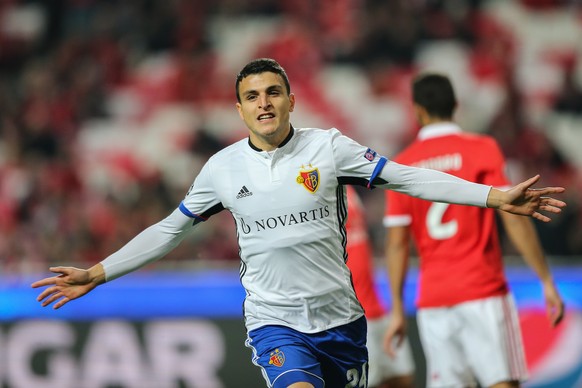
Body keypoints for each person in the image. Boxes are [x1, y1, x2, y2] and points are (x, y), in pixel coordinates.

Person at [32, 58, 565, 388]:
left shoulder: (328, 148)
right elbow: (170, 229)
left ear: (291, 99)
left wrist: (493, 196)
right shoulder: (222, 168)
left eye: (271, 93)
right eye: (251, 97)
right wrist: (99, 272)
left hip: (341, 321)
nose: (263, 104)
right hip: (275, 321)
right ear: (238, 110)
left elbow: (408, 178)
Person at [382, 72, 565, 388]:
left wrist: (397, 309)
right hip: (482, 289)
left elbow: (397, 244)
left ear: (417, 111)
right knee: (502, 383)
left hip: (434, 300)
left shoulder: (403, 165)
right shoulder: (481, 148)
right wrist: (546, 280)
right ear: (455, 105)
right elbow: (513, 217)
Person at [345, 185, 415, 388]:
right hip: (350, 313)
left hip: (375, 305)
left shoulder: (346, 184)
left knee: (401, 378)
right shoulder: (309, 184)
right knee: (368, 382)